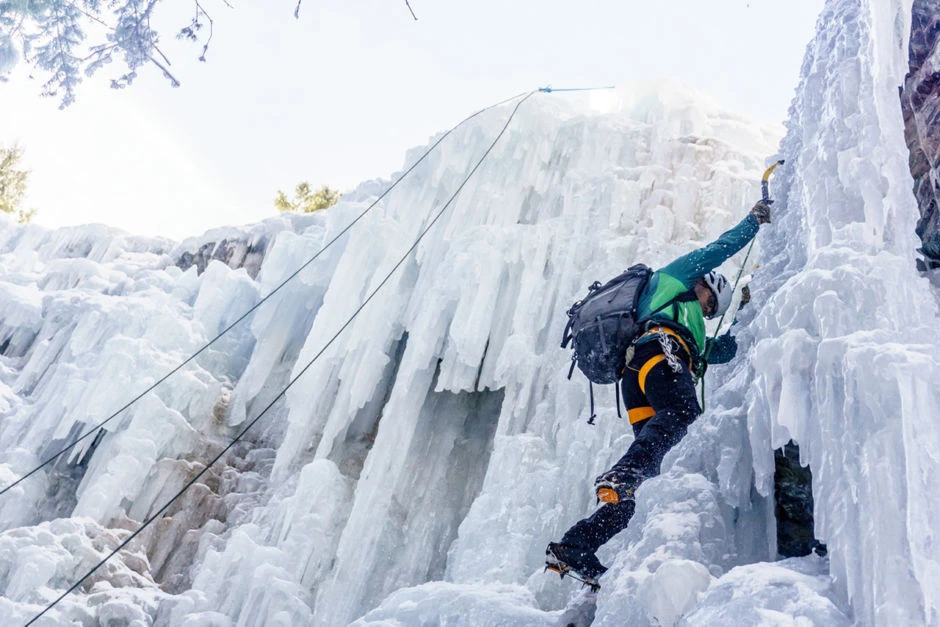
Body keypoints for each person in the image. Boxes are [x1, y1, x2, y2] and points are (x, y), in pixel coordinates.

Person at [545, 200, 773, 585]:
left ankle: (575, 546)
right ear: (704, 285)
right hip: (658, 352)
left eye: (713, 310)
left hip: (639, 377)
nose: (707, 310)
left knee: (655, 476)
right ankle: (622, 474)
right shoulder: (675, 279)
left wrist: (753, 312)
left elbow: (729, 348)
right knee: (684, 415)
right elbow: (720, 248)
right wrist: (753, 222)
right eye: (710, 302)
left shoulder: (694, 331)